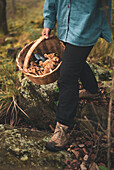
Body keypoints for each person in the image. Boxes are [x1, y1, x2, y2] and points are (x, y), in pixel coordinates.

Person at [42, 0, 112, 151]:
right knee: (73, 61)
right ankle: (92, 90)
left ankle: (63, 127)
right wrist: (49, 20)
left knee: (67, 77)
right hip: (64, 25)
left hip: (85, 26)